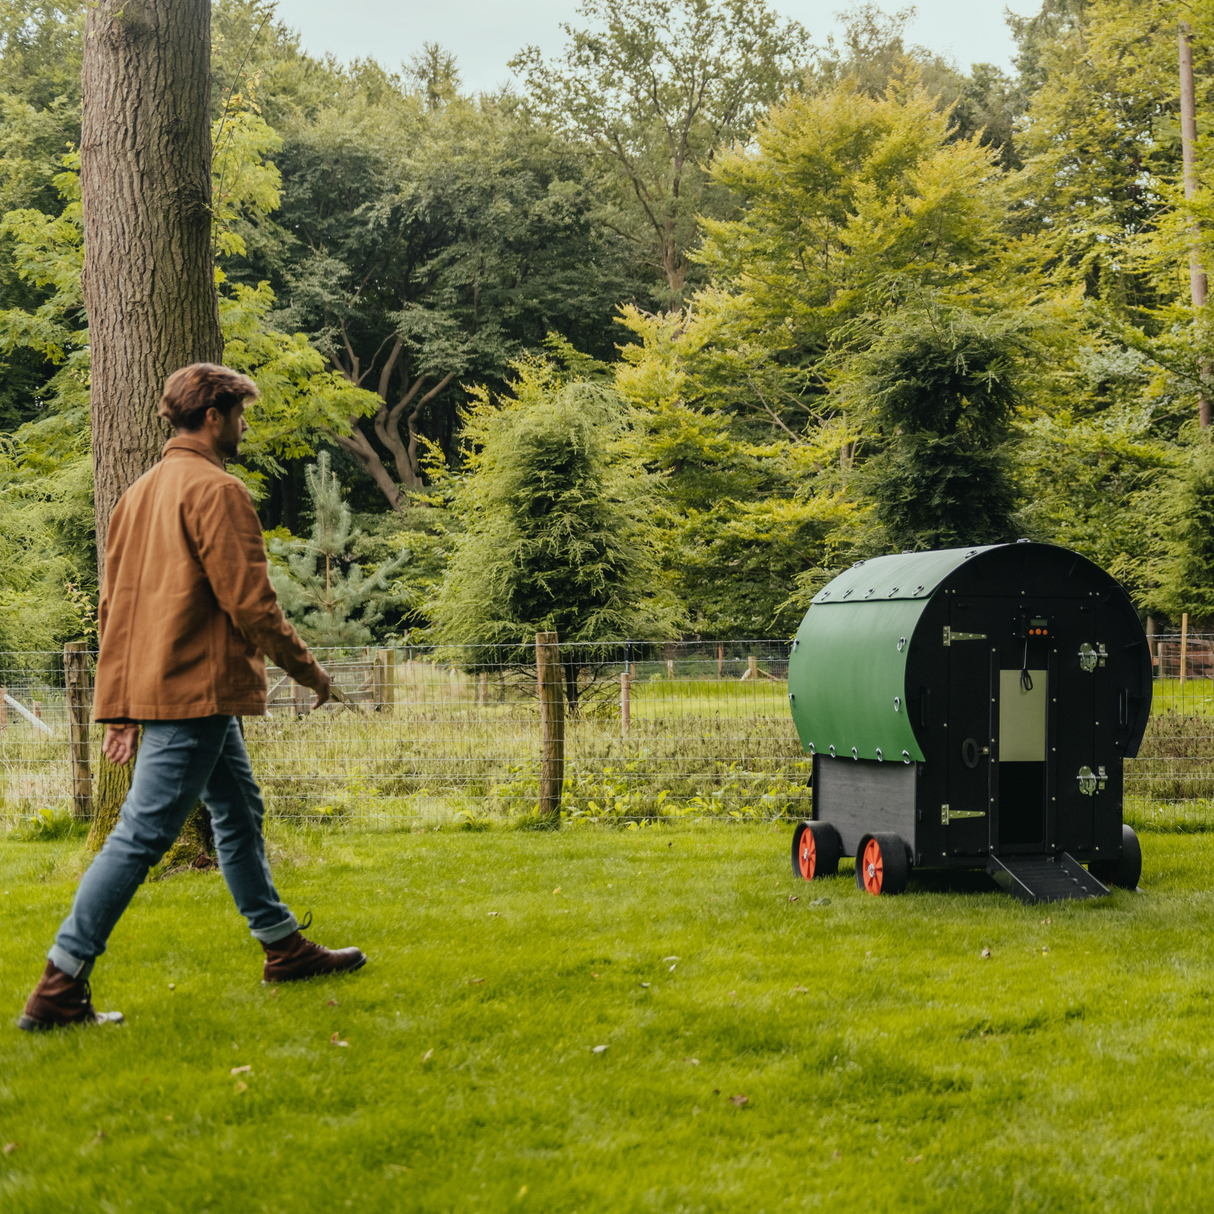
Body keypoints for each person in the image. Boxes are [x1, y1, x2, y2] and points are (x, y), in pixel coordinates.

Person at [18, 364, 366, 1033]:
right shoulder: (217, 491)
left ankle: (283, 947)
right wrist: (310, 672)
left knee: (237, 811)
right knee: (140, 838)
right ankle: (60, 984)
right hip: (195, 693)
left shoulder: (137, 495)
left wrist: (117, 706)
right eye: (239, 414)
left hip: (167, 688)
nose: (242, 427)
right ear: (213, 414)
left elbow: (111, 610)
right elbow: (253, 606)